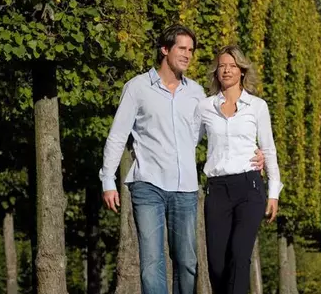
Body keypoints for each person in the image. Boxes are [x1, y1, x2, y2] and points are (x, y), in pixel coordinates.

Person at [99, 24, 264, 294]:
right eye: (182, 48)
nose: (188, 54)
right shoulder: (137, 88)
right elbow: (117, 136)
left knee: (188, 263)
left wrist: (254, 154)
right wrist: (108, 180)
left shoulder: (198, 94)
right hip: (147, 184)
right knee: (152, 263)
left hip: (186, 188)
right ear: (165, 49)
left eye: (191, 50)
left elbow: (218, 132)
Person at [193, 45, 283, 294]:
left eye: (232, 66)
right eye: (222, 65)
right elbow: (189, 143)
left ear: (242, 71)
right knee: (217, 265)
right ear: (216, 71)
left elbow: (269, 149)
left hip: (249, 187)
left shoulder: (257, 106)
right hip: (217, 190)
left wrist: (274, 192)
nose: (227, 70)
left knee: (240, 256)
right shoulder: (204, 108)